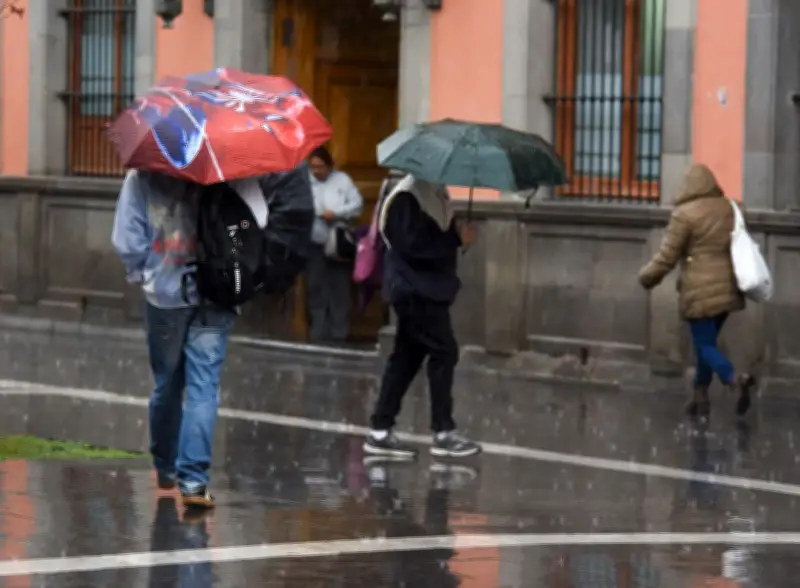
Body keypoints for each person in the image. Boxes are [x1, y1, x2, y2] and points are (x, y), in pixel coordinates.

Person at [111, 170, 242, 509]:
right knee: (204, 386)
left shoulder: (143, 176)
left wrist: (144, 272)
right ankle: (195, 482)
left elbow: (127, 239)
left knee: (167, 384)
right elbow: (252, 225)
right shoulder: (227, 171)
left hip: (166, 295)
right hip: (217, 293)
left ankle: (166, 466)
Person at [363, 174, 481, 459]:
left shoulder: (432, 193)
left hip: (423, 289)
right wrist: (454, 238)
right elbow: (412, 246)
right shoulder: (407, 197)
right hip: (414, 290)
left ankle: (380, 429)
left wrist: (457, 237)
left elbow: (430, 242)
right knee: (444, 351)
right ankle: (443, 432)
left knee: (406, 358)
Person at [638, 164, 756, 418]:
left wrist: (647, 277)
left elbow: (667, 256)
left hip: (700, 292)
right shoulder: (729, 208)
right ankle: (700, 396)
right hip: (729, 289)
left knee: (704, 346)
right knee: (707, 343)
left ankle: (734, 377)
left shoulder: (684, 214)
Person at [306, 146, 364, 343]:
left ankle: (339, 333)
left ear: (330, 166)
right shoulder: (306, 181)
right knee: (316, 287)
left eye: (320, 167)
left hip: (338, 242)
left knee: (339, 288)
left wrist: (337, 213)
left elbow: (357, 205)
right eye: (313, 167)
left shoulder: (343, 181)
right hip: (314, 242)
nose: (316, 171)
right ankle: (318, 332)